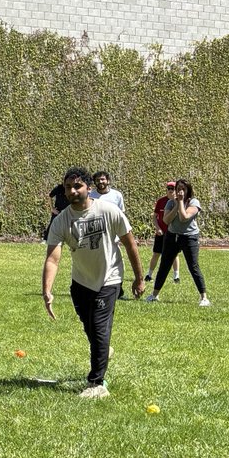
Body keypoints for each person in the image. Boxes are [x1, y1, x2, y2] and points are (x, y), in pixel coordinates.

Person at [42, 165, 144, 398]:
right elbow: (53, 259)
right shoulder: (61, 222)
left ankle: (97, 383)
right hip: (80, 282)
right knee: (91, 328)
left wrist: (138, 278)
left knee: (98, 327)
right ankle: (103, 350)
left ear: (89, 188)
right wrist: (47, 290)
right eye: (68, 187)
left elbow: (130, 244)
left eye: (77, 186)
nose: (72, 191)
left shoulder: (108, 211)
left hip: (109, 279)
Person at [146, 177, 210, 307]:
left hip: (189, 237)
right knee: (164, 265)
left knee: (193, 266)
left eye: (183, 189)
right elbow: (166, 220)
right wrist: (176, 204)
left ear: (188, 190)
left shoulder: (194, 202)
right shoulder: (170, 203)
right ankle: (154, 295)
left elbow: (184, 217)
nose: (180, 191)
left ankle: (204, 298)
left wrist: (180, 202)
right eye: (178, 189)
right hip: (172, 236)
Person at [145, 180, 181, 284]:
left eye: (172, 189)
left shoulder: (179, 202)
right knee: (156, 254)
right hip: (161, 233)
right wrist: (157, 228)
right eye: (168, 189)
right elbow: (155, 217)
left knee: (174, 255)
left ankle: (176, 276)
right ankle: (149, 275)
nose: (170, 191)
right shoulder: (161, 201)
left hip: (173, 233)